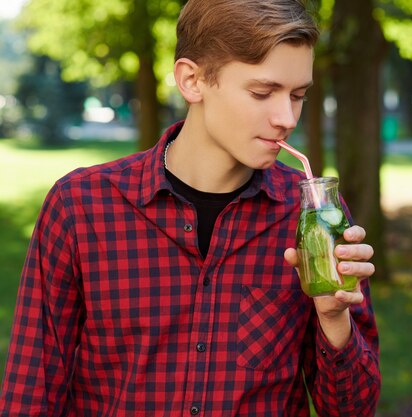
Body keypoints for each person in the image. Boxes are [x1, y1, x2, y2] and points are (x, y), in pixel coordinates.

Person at [0, 0, 381, 415]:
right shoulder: (81, 207)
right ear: (192, 80)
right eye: (262, 92)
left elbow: (351, 409)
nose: (286, 117)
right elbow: (31, 393)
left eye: (298, 95)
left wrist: (333, 319)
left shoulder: (311, 217)